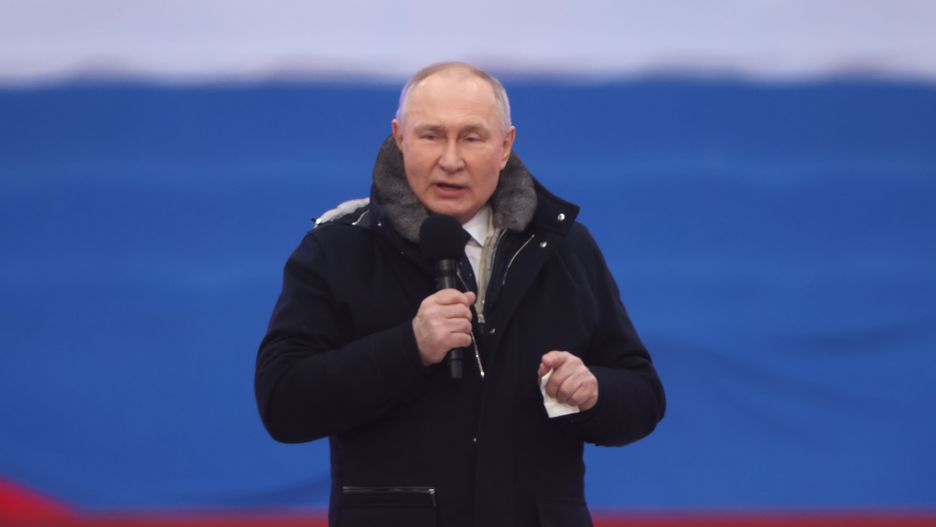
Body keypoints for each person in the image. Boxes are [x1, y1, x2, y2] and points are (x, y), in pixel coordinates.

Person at [255, 62, 665, 527]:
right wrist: (408, 348)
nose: (451, 159)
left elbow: (644, 396)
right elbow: (282, 402)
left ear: (506, 145)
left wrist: (594, 391)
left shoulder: (565, 249)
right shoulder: (338, 249)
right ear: (399, 137)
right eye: (432, 136)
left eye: (472, 138)